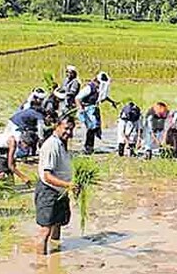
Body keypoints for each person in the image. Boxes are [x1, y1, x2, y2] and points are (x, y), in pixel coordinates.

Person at [35, 117, 76, 255]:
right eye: (66, 128)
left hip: (60, 191)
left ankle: (55, 258)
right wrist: (69, 185)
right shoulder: (51, 145)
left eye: (71, 129)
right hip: (49, 191)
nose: (69, 132)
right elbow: (47, 176)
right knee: (45, 230)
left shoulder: (62, 143)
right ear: (57, 126)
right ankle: (41, 265)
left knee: (58, 224)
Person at [77, 71, 118, 154]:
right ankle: (88, 147)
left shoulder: (97, 88)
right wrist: (80, 109)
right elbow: (77, 98)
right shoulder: (89, 88)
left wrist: (112, 102)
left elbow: (102, 97)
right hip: (87, 110)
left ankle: (90, 146)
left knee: (94, 127)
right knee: (91, 128)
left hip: (93, 109)